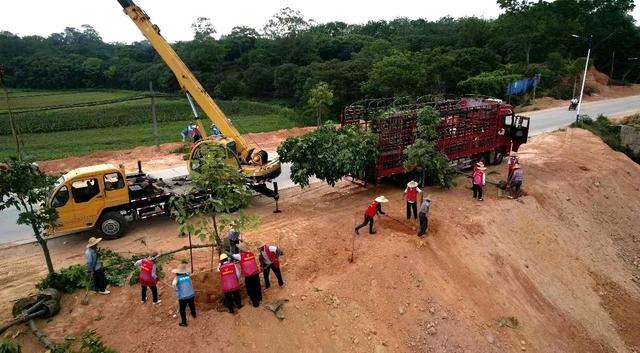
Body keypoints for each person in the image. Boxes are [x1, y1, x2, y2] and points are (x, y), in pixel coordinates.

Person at [233, 243, 262, 307]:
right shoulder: (251, 254)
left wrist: (223, 250)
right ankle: (259, 298)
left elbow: (231, 255)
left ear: (240, 250)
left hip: (248, 275)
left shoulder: (240, 256)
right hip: (255, 273)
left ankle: (255, 303)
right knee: (257, 286)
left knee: (250, 289)